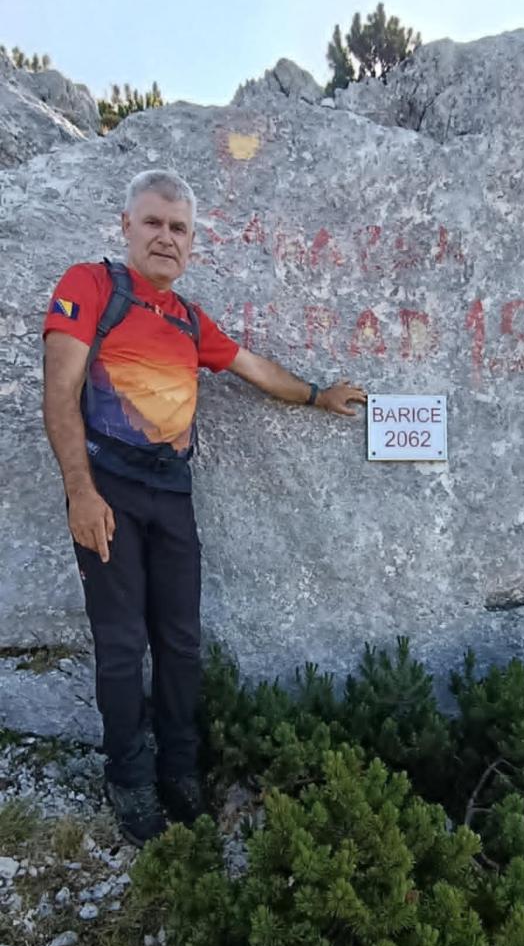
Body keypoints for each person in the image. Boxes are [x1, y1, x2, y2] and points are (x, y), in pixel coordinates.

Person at [42, 168, 367, 847]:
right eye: (153, 223)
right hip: (108, 489)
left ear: (191, 242)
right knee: (122, 645)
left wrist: (317, 394)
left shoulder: (189, 319)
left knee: (182, 642)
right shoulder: (90, 286)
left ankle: (180, 770)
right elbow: (60, 392)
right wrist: (80, 492)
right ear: (127, 226)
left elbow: (253, 367)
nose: (166, 237)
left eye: (179, 228)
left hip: (171, 493)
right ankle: (130, 778)